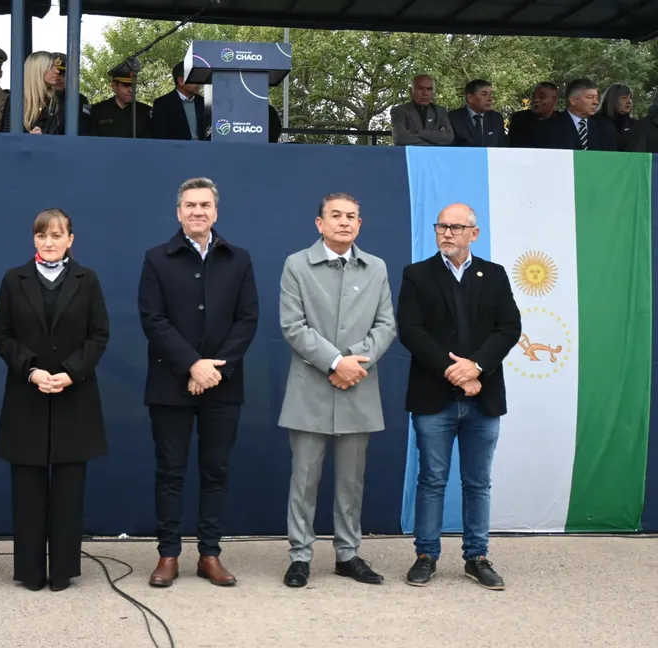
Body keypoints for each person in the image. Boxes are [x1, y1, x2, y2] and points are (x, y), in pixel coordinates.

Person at [138, 177, 259, 587]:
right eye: (190, 205)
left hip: (223, 386)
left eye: (205, 205)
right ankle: (168, 554)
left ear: (215, 212)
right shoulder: (157, 259)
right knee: (170, 472)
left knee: (216, 471)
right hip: (169, 384)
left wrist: (213, 371)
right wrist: (192, 365)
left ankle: (210, 553)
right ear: (178, 212)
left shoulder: (238, 259)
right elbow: (153, 320)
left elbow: (247, 320)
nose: (197, 211)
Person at [396, 203, 521, 591]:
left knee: (478, 482)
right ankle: (426, 555)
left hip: (484, 397)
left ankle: (477, 557)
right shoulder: (417, 275)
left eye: (456, 227)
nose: (447, 233)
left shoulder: (494, 274)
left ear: (474, 233)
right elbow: (410, 331)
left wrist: (476, 368)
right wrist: (454, 371)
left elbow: (509, 328)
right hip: (433, 396)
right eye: (441, 227)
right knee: (432, 479)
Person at [278, 193, 396, 588]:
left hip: (357, 386)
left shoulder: (376, 268)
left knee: (351, 481)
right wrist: (334, 362)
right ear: (320, 223)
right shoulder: (297, 264)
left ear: (359, 224)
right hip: (310, 389)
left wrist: (352, 364)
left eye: (352, 217)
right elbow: (293, 326)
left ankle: (348, 554)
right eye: (336, 215)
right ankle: (300, 556)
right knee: (304, 480)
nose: (344, 222)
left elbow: (386, 326)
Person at [0, 208, 110, 592]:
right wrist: (30, 370)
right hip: (27, 395)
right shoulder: (15, 279)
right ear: (34, 239)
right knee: (27, 490)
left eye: (56, 235)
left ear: (70, 239)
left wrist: (72, 372)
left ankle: (62, 571)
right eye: (42, 235)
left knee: (69, 491)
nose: (48, 242)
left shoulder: (87, 280)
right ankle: (30, 571)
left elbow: (98, 335)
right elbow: (2, 335)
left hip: (74, 396)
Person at [533, 78, 617, 151]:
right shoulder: (548, 128)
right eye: (590, 97)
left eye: (597, 98)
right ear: (573, 101)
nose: (596, 102)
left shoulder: (605, 128)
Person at [0, 51, 61, 134]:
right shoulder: (16, 100)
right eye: (50, 67)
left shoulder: (57, 100)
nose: (57, 71)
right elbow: (6, 135)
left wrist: (44, 136)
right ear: (37, 70)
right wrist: (28, 137)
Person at [89, 62, 151, 138]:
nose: (131, 90)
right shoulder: (98, 110)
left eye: (133, 85)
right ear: (114, 86)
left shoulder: (144, 111)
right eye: (126, 85)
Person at [149, 61, 208, 140]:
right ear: (181, 81)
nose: (199, 82)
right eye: (195, 78)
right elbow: (160, 136)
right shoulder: (162, 104)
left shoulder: (205, 102)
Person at [390, 74, 454, 146]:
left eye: (429, 89)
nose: (425, 93)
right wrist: (434, 142)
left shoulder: (440, 111)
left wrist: (419, 133)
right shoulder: (399, 111)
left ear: (433, 93)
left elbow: (449, 137)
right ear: (411, 91)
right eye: (420, 88)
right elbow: (400, 138)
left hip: (434, 153)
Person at [448, 79, 508, 147]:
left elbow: (503, 146)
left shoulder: (496, 118)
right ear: (470, 98)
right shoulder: (453, 118)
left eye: (490, 94)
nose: (490, 99)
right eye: (484, 94)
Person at [507, 82, 560, 148]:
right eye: (533, 97)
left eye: (542, 97)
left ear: (555, 101)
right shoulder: (519, 119)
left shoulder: (563, 121)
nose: (535, 100)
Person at [594, 83, 634, 151]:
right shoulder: (595, 121)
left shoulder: (633, 124)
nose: (629, 101)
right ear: (612, 99)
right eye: (624, 97)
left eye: (630, 98)